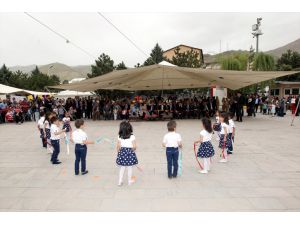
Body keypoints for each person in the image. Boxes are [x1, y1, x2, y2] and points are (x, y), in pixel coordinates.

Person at [116, 121, 138, 186]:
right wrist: (133, 150)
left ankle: (120, 181)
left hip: (122, 152)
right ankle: (129, 181)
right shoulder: (132, 136)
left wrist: (119, 153)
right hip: (130, 153)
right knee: (129, 168)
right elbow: (134, 147)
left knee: (122, 168)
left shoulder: (119, 136)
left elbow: (118, 147)